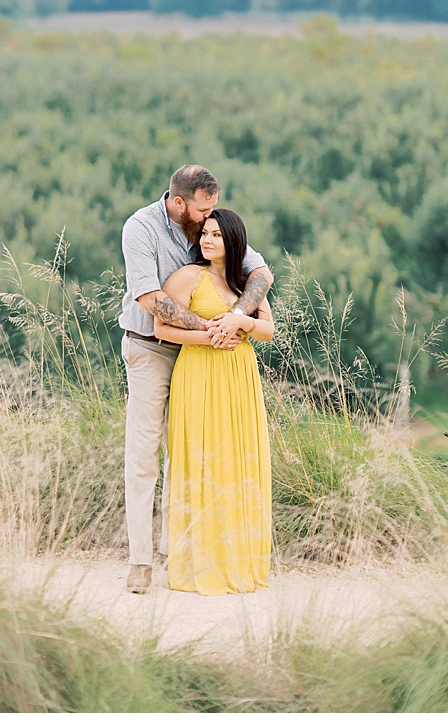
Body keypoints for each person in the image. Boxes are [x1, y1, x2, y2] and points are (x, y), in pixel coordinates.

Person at [118, 165, 273, 594]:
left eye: (213, 212)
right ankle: (140, 561)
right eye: (203, 209)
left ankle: (179, 550)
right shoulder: (141, 228)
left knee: (189, 451)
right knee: (145, 451)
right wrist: (214, 331)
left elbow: (261, 273)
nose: (209, 219)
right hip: (151, 347)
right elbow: (151, 300)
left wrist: (239, 316)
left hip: (204, 358)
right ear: (179, 202)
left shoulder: (209, 225)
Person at [155, 209, 273, 595]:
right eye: (205, 234)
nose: (207, 240)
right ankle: (198, 563)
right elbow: (161, 327)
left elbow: (268, 330)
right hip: (198, 373)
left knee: (239, 461)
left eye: (217, 235)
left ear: (233, 241)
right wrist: (210, 337)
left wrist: (242, 323)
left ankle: (239, 560)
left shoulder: (245, 282)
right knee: (202, 458)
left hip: (239, 375)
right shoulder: (188, 277)